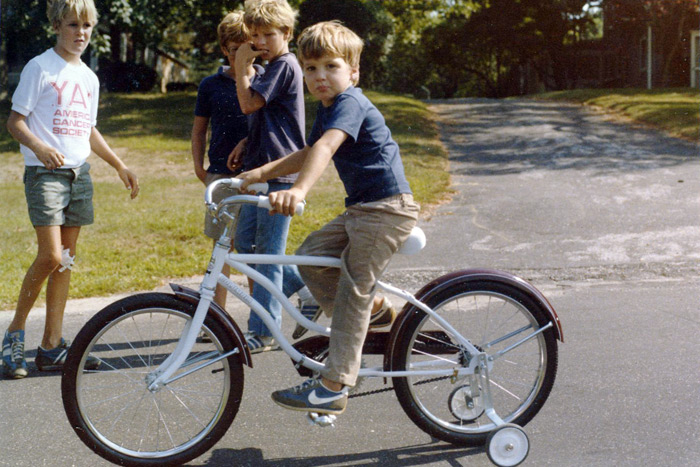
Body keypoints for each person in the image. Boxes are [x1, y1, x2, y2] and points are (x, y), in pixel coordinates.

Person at [238, 21, 420, 415]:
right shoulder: (329, 108)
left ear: (353, 72)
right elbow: (308, 150)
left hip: (387, 209)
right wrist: (259, 174)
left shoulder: (350, 103)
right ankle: (376, 312)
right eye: (311, 68)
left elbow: (325, 147)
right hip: (362, 209)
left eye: (331, 67)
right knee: (311, 259)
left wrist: (298, 191)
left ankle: (333, 386)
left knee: (353, 289)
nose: (320, 77)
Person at [2, 0, 139, 379]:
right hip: (45, 175)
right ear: (56, 26)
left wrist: (119, 165)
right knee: (49, 256)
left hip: (79, 175)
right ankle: (12, 336)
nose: (81, 33)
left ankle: (51, 346)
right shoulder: (40, 67)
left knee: (65, 262)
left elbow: (88, 130)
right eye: (72, 24)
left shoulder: (89, 78)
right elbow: (16, 122)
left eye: (87, 26)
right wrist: (40, 148)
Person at [226, 0, 318, 352]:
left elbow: (248, 103)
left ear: (287, 34)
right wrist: (247, 140)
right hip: (259, 169)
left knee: (265, 256)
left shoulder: (283, 65)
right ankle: (307, 289)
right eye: (255, 35)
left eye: (268, 34)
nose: (261, 41)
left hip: (279, 177)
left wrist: (240, 67)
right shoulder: (269, 69)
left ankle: (263, 332)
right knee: (249, 250)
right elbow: (271, 117)